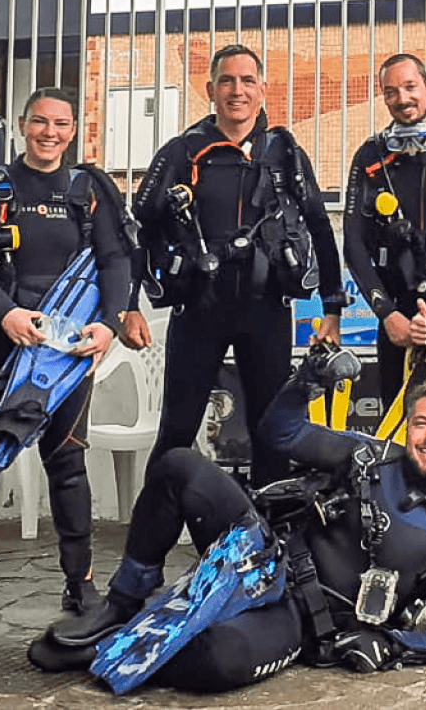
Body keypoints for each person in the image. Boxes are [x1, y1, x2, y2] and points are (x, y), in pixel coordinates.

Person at [31, 353, 426, 693]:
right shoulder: (369, 457)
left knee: (218, 662)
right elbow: (281, 433)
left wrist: (394, 645)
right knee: (179, 466)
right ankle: (123, 605)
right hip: (262, 549)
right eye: (421, 423)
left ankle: (122, 648)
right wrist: (307, 379)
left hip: (300, 621)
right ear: (408, 426)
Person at [0, 86, 135, 632]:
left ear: (75, 129)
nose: (50, 133)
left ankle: (81, 585)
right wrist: (5, 314)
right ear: (23, 125)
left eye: (61, 124)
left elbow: (115, 259)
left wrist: (109, 323)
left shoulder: (88, 189)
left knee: (67, 466)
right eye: (40, 122)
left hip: (64, 355)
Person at [122, 44, 345, 484]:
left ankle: (267, 543)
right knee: (177, 432)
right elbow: (140, 231)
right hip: (199, 310)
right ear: (210, 89)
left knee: (273, 431)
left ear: (263, 89)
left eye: (247, 81)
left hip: (267, 311)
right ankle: (148, 549)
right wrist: (130, 305)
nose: (236, 91)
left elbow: (320, 228)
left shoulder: (283, 153)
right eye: (226, 81)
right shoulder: (182, 153)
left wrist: (332, 310)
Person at [343, 53, 426, 407]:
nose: (402, 99)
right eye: (391, 92)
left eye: (410, 87)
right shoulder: (371, 155)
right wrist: (387, 315)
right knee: (398, 427)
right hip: (399, 318)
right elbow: (353, 245)